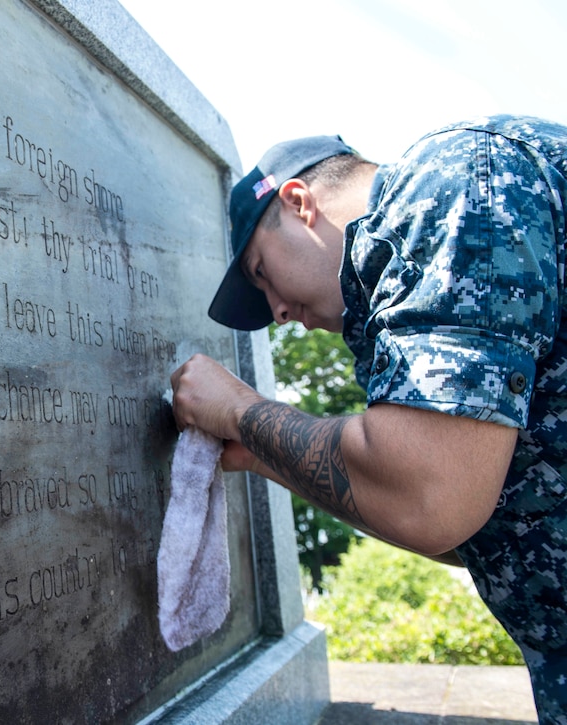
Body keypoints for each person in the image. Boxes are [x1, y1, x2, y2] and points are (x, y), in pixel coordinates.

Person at [169, 116, 567, 723]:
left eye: (261, 273)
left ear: (298, 203)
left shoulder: (452, 183)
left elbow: (432, 495)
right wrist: (270, 456)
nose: (276, 311)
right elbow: (473, 533)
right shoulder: (393, 309)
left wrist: (244, 413)